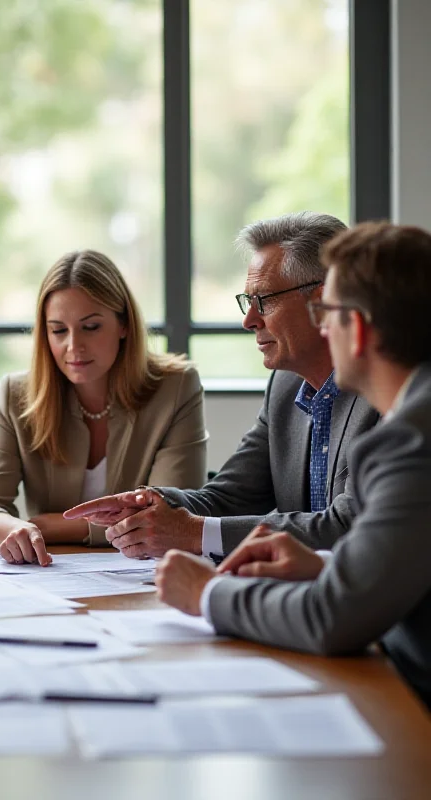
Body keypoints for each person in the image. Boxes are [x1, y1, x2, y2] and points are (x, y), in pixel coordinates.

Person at [157, 221, 431, 708]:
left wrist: (207, 595)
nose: (324, 326)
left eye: (329, 313)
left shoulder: (412, 442)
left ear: (358, 328)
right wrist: (323, 565)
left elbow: (332, 618)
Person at [65, 212, 379, 560]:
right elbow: (230, 497)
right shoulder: (285, 387)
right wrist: (151, 504)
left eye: (264, 300)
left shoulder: (386, 393)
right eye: (247, 302)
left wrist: (193, 533)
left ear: (321, 303)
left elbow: (350, 526)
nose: (249, 320)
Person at [0, 249, 208, 565]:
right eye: (58, 330)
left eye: (90, 327)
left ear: (124, 325)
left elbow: (172, 517)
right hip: (54, 579)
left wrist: (46, 525)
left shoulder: (176, 387)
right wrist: (18, 529)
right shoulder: (17, 394)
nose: (73, 346)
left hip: (147, 579)